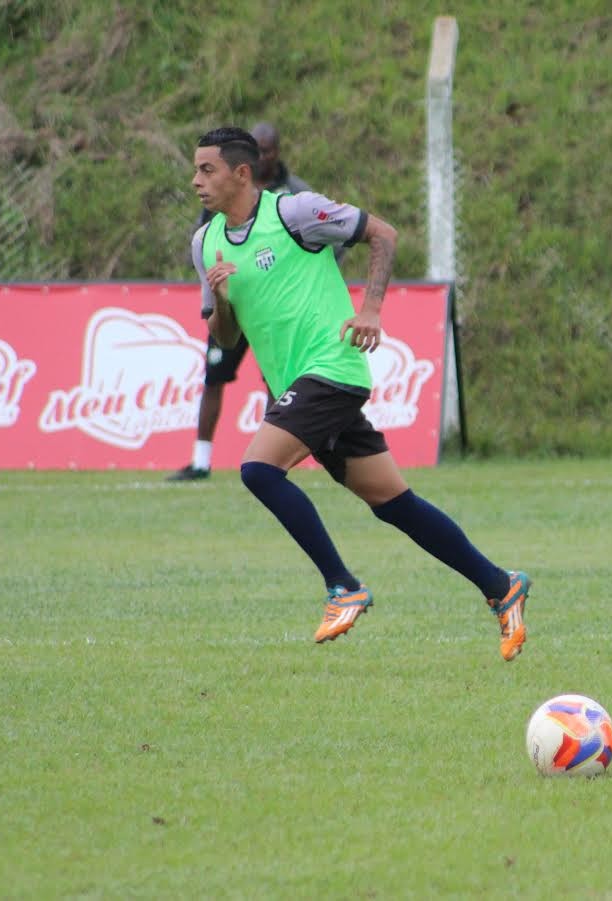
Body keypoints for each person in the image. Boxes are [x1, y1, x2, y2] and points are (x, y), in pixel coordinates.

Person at [189, 126, 529, 660]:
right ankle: (500, 584)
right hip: (296, 384)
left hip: (332, 368)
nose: (196, 181)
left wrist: (370, 309)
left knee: (258, 469)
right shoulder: (205, 243)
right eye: (195, 170)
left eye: (207, 170)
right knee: (393, 502)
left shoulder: (295, 213)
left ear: (241, 173)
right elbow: (226, 337)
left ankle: (342, 586)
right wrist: (225, 300)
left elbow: (383, 235)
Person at [169, 121, 341, 481]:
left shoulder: (294, 195)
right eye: (258, 149)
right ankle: (200, 461)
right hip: (234, 299)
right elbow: (205, 237)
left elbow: (331, 241)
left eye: (268, 150)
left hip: (275, 307)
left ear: (277, 151)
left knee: (276, 381)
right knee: (214, 375)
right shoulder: (222, 189)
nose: (263, 156)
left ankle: (272, 459)